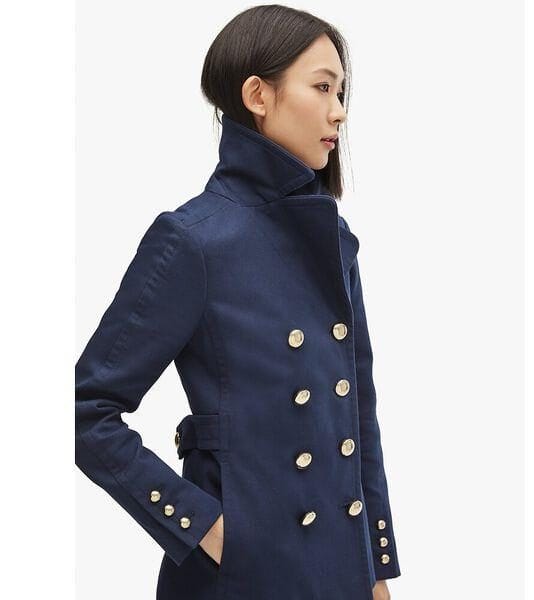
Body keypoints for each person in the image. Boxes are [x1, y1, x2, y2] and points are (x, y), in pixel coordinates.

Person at [75, 5, 401, 599]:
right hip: (240, 580)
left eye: (341, 91)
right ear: (258, 95)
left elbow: (358, 420)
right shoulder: (192, 240)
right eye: (322, 87)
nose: (339, 111)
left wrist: (375, 568)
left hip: (339, 575)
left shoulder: (334, 240)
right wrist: (205, 527)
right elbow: (84, 410)